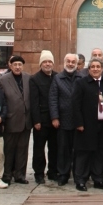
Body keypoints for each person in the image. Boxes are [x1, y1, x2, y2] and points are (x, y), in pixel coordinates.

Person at [72, 58, 103, 190]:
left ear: (102, 69)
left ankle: (98, 179)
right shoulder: (81, 83)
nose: (96, 69)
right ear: (89, 69)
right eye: (93, 67)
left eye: (98, 67)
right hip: (86, 126)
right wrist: (79, 123)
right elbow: (75, 104)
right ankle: (81, 180)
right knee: (84, 153)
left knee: (99, 153)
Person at [0, 54, 32, 184]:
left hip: (26, 120)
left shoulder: (28, 78)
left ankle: (20, 175)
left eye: (20, 65)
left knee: (23, 149)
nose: (17, 67)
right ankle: (6, 174)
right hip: (11, 120)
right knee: (9, 149)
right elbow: (0, 100)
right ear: (10, 66)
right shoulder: (3, 80)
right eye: (15, 65)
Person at [49, 53, 80, 185]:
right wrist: (55, 117)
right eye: (68, 61)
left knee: (78, 150)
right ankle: (63, 174)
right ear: (64, 62)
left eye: (73, 62)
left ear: (77, 64)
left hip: (79, 121)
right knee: (63, 149)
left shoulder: (82, 77)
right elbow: (53, 99)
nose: (71, 64)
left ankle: (78, 175)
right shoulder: (57, 78)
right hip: (62, 120)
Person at [30, 50, 58, 184]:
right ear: (41, 64)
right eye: (45, 62)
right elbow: (34, 102)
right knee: (39, 149)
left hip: (55, 120)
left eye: (49, 62)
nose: (47, 64)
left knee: (54, 148)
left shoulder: (57, 77)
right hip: (41, 120)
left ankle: (53, 171)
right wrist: (36, 120)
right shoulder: (34, 79)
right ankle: (39, 173)